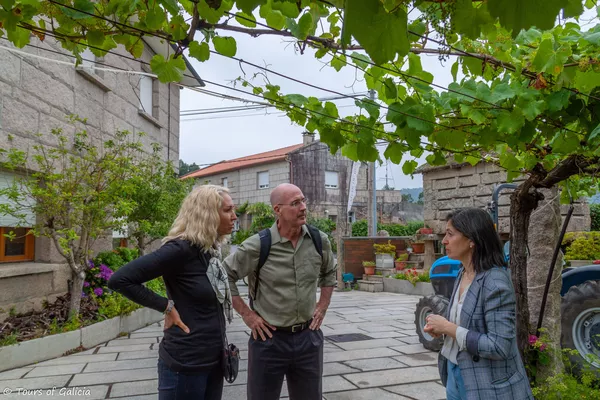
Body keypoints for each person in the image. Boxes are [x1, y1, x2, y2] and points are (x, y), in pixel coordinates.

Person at [108, 185, 237, 400]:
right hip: (185, 365)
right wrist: (166, 306)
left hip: (214, 360)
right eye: (227, 210)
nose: (234, 216)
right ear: (207, 214)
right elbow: (120, 280)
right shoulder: (180, 249)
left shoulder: (208, 250)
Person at [223, 183, 337, 400]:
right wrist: (248, 315)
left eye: (303, 200)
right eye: (295, 203)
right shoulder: (258, 245)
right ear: (277, 209)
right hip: (269, 341)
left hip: (308, 339)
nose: (303, 207)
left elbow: (329, 272)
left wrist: (323, 305)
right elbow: (224, 276)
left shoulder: (318, 240)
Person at [424, 207, 533, 400]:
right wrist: (441, 329)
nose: (444, 241)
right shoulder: (462, 273)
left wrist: (449, 328)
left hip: (485, 382)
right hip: (455, 372)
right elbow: (467, 324)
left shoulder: (495, 283)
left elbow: (499, 346)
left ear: (472, 240)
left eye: (450, 234)